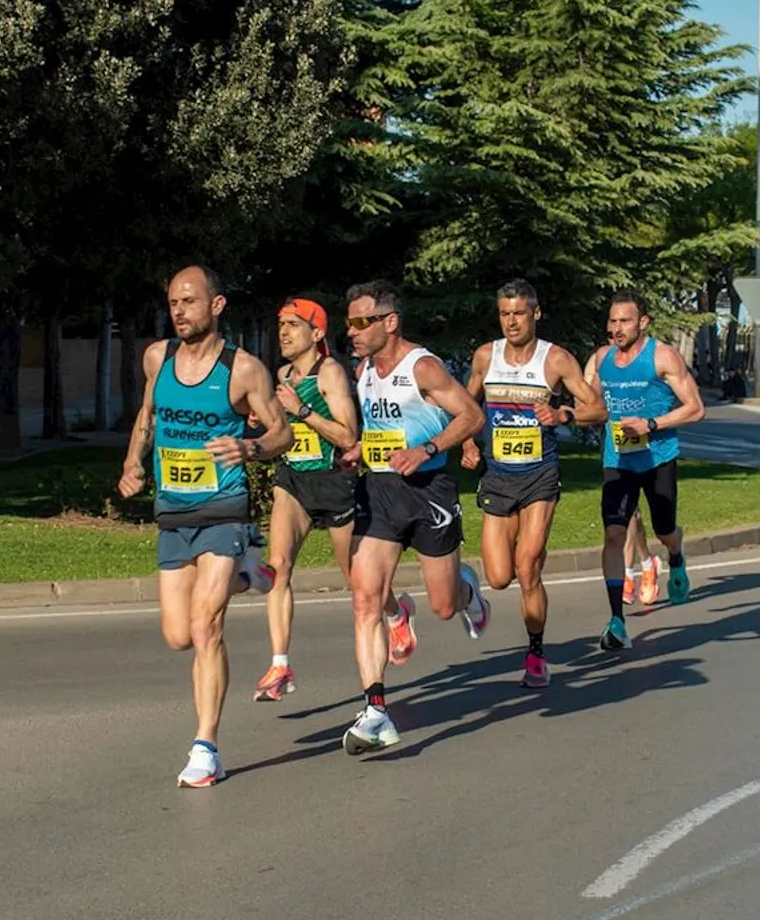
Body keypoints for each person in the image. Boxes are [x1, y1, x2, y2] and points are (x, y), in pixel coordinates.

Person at [119, 265, 292, 787]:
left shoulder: (242, 371)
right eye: (173, 301)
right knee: (177, 635)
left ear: (216, 306)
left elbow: (282, 434)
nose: (179, 311)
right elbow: (147, 415)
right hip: (174, 511)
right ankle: (248, 574)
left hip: (224, 509)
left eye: (190, 301)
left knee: (204, 628)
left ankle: (205, 745)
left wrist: (249, 447)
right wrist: (133, 462)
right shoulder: (158, 358)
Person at [339, 280, 491, 753]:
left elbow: (470, 416)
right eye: (349, 323)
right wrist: (361, 449)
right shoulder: (364, 370)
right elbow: (383, 427)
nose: (353, 331)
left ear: (390, 322)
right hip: (380, 492)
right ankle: (376, 711)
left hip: (429, 491)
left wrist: (427, 448)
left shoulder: (421, 367)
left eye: (363, 322)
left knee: (444, 606)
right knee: (365, 601)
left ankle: (468, 591)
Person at [458, 279, 605, 687]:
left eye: (519, 313)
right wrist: (468, 441)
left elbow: (598, 409)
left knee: (527, 568)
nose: (511, 321)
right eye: (504, 313)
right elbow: (465, 407)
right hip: (498, 476)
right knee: (499, 576)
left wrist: (563, 417)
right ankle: (472, 591)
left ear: (536, 314)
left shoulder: (556, 360)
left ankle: (536, 654)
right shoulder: (486, 356)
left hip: (540, 474)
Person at [585, 289, 706, 651]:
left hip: (658, 457)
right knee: (613, 535)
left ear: (643, 322)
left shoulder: (663, 357)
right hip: (618, 460)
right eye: (612, 321)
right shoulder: (601, 359)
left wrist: (651, 424)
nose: (617, 328)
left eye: (625, 321)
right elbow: (590, 405)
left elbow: (696, 408)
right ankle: (617, 621)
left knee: (664, 528)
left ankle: (676, 554)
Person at [255, 296, 362, 702]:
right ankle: (280, 665)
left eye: (293, 325)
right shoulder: (281, 373)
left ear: (316, 334)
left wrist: (300, 410)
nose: (283, 332)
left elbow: (347, 435)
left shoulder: (329, 373)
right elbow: (279, 430)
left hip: (333, 483)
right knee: (277, 567)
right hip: (294, 480)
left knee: (358, 581)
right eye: (280, 324)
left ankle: (395, 613)